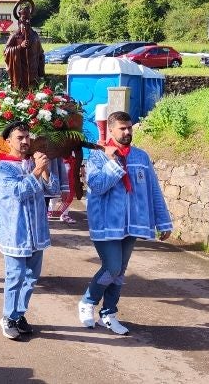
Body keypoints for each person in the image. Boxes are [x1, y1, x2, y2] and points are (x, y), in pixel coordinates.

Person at [78, 111, 173, 335]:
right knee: (111, 267)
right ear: (110, 130)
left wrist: (163, 222)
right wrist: (112, 162)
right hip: (106, 223)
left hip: (132, 224)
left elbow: (153, 190)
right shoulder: (97, 156)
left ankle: (109, 314)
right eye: (122, 128)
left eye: (129, 127)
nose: (127, 132)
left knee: (120, 271)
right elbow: (97, 186)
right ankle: (88, 302)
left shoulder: (141, 156)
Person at [0, 121, 60, 339]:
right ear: (8, 141)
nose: (24, 141)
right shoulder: (3, 167)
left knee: (31, 277)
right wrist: (38, 170)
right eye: (19, 138)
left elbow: (53, 189)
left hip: (37, 230)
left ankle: (19, 314)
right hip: (15, 231)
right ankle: (7, 316)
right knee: (15, 275)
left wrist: (46, 170)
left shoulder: (33, 162)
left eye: (26, 137)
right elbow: (17, 192)